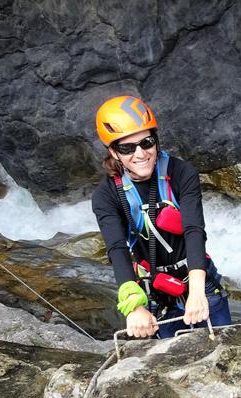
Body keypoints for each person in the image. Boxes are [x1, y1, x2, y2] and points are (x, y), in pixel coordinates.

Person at [91, 95, 231, 338]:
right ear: (113, 152)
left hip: (198, 281)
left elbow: (194, 230)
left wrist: (197, 292)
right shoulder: (106, 195)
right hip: (157, 292)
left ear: (155, 141)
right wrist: (134, 306)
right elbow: (117, 248)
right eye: (127, 147)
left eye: (146, 142)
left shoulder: (180, 173)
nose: (140, 153)